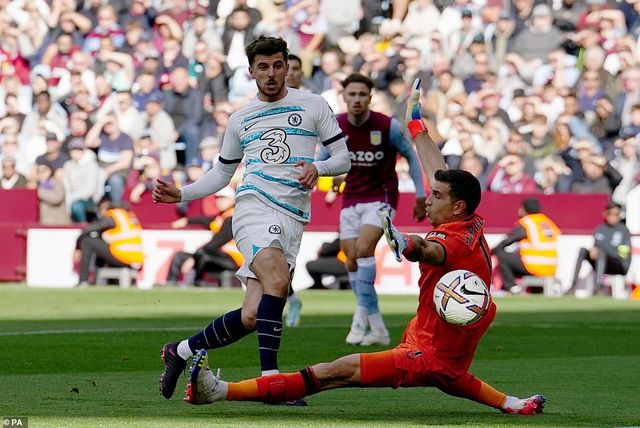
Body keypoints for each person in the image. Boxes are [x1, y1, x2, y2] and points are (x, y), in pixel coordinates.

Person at [183, 79, 545, 416]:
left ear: (457, 206)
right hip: (442, 356)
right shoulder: (471, 223)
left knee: (329, 373)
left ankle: (220, 390)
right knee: (449, 374)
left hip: (418, 355)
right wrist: (416, 127)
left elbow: (428, 250)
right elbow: (455, 378)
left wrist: (404, 242)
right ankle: (514, 404)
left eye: (436, 197)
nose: (428, 200)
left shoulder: (447, 241)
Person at [152, 36, 350, 401]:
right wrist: (182, 193)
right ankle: (274, 384)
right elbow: (221, 174)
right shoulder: (241, 117)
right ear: (251, 71)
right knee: (277, 280)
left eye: (278, 65)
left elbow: (343, 158)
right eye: (263, 67)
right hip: (254, 208)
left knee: (252, 316)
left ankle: (178, 351)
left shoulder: (313, 105)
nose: (272, 74)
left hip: (293, 218)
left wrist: (319, 168)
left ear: (288, 66)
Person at [331, 73, 426, 346]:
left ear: (370, 98)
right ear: (344, 97)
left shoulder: (387, 126)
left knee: (363, 250)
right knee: (350, 260)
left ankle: (358, 320)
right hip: (350, 199)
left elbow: (410, 154)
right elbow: (324, 159)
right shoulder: (335, 127)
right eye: (352, 94)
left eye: (362, 94)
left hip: (381, 196)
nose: (357, 99)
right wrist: (332, 175)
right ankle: (379, 329)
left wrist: (420, 195)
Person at [166, 187, 241, 287]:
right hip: (217, 256)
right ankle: (171, 284)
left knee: (203, 255)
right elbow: (205, 220)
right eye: (217, 198)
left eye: (223, 198)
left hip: (234, 259)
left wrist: (194, 257)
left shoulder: (233, 217)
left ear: (232, 200)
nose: (219, 201)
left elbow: (217, 242)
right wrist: (186, 220)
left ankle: (196, 284)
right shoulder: (221, 217)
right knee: (180, 256)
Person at [491, 198, 561, 294]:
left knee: (502, 255)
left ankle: (512, 287)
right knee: (515, 257)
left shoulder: (528, 222)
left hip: (535, 265)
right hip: (551, 267)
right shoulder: (546, 222)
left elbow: (508, 241)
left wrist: (491, 251)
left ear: (525, 210)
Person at [74, 196, 143, 286]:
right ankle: (96, 280)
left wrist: (78, 247)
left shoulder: (113, 215)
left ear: (105, 207)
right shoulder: (130, 216)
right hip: (136, 259)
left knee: (88, 241)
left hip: (123, 256)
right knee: (100, 243)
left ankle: (83, 281)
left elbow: (88, 229)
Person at [569, 202, 632, 294]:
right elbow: (596, 248)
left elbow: (623, 254)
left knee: (601, 253)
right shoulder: (599, 229)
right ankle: (573, 286)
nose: (614, 217)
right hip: (601, 262)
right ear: (606, 214)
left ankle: (597, 289)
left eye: (617, 214)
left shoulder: (624, 230)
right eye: (611, 214)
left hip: (619, 265)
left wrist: (601, 250)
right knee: (583, 251)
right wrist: (593, 251)